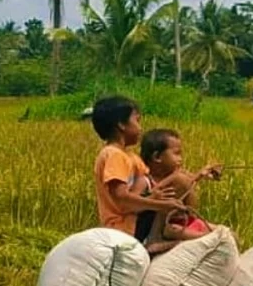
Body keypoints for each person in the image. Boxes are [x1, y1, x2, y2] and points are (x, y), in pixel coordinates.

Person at [91, 96, 184, 236]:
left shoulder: (130, 156)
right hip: (124, 225)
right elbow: (122, 200)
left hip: (137, 217)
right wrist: (161, 205)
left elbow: (153, 182)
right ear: (121, 124)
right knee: (180, 181)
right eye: (137, 120)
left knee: (180, 180)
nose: (140, 127)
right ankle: (155, 239)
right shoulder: (113, 155)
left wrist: (199, 175)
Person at [133, 128, 223, 256]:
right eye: (176, 154)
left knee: (223, 235)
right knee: (180, 177)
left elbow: (186, 185)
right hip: (148, 231)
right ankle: (154, 239)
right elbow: (131, 205)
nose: (180, 159)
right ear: (157, 157)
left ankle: (184, 229)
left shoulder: (175, 177)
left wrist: (201, 175)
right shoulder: (144, 181)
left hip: (175, 225)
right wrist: (152, 198)